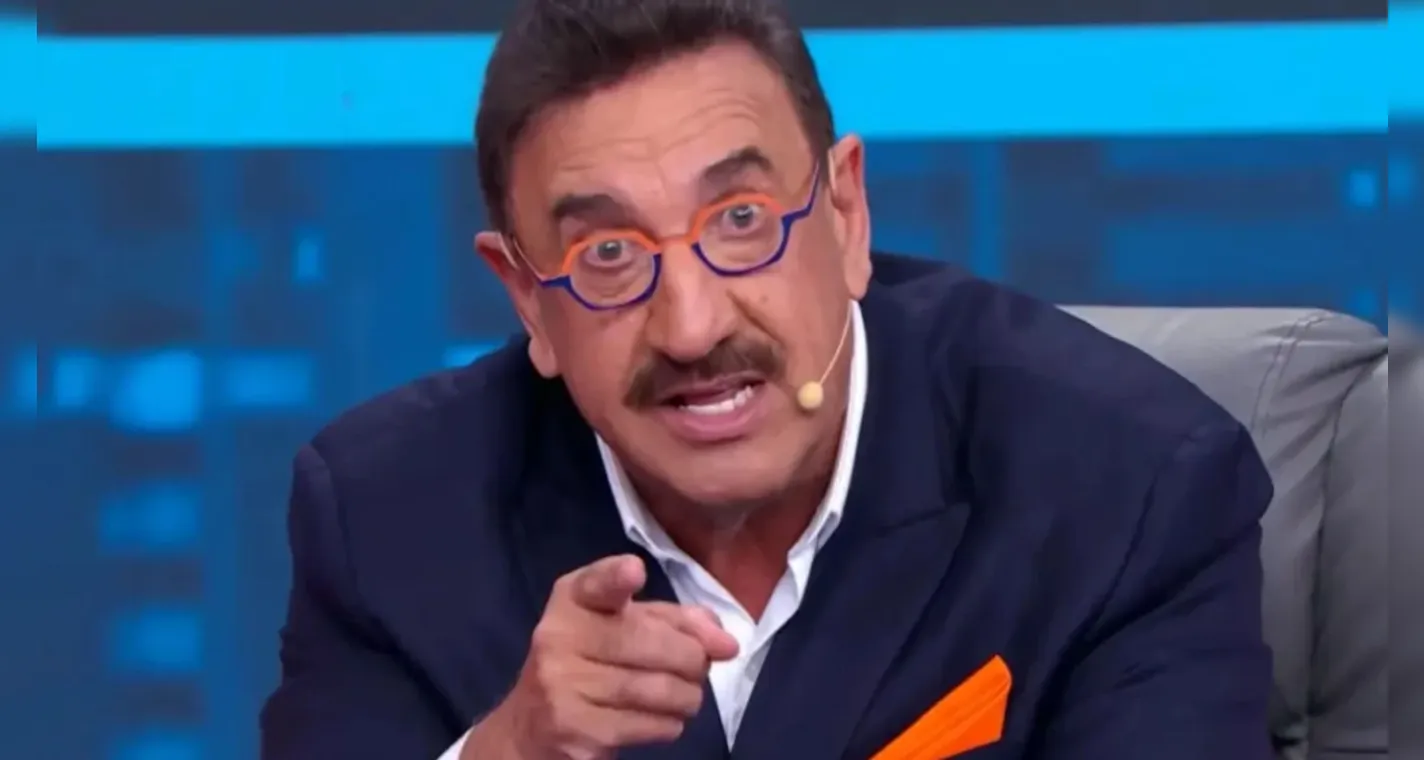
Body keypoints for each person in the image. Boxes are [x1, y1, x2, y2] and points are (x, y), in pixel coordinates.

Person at [258, 0, 1277, 758]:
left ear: (845, 214)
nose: (692, 326)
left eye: (740, 221)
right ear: (528, 298)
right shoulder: (387, 520)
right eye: (608, 253)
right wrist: (508, 752)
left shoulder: (1128, 489)